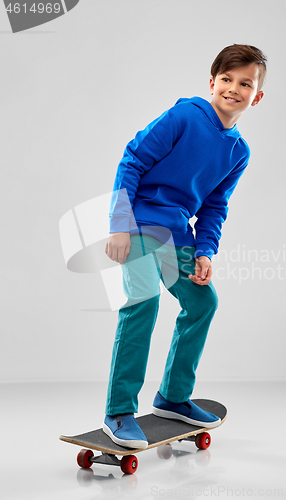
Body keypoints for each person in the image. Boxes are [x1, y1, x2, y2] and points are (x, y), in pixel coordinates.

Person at [103, 44, 267, 449]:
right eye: (226, 79)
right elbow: (132, 161)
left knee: (202, 302)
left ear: (257, 96)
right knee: (143, 301)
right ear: (211, 83)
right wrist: (119, 224)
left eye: (245, 83)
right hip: (140, 225)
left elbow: (214, 205)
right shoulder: (184, 116)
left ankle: (172, 398)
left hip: (178, 238)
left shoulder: (238, 152)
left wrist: (205, 251)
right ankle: (118, 411)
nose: (233, 89)